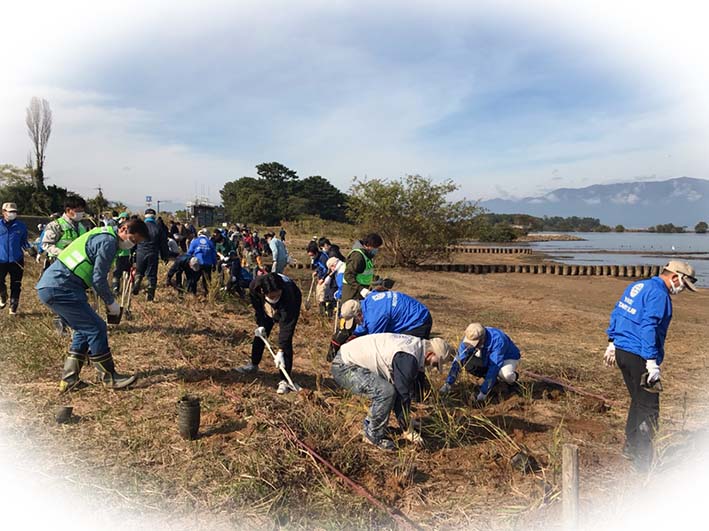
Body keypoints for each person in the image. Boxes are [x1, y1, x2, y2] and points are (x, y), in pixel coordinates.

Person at [604, 260, 698, 472]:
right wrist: (651, 362)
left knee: (638, 400)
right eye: (683, 285)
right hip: (639, 355)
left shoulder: (638, 286)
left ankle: (631, 447)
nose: (682, 290)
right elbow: (649, 326)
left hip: (623, 352)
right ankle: (643, 462)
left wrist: (612, 341)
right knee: (649, 407)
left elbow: (618, 311)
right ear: (675, 277)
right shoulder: (659, 294)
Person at [36, 219, 149, 391]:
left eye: (136, 243)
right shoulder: (108, 242)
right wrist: (111, 302)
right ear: (124, 229)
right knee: (96, 328)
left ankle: (69, 380)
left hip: (59, 286)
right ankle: (109, 378)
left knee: (84, 330)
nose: (132, 244)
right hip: (61, 287)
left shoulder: (102, 234)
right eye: (132, 239)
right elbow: (98, 279)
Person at [331, 333, 453, 450]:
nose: (432, 367)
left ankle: (371, 425)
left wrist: (406, 420)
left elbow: (403, 386)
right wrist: (407, 428)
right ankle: (373, 436)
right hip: (344, 366)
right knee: (386, 392)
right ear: (429, 354)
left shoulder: (415, 346)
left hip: (348, 357)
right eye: (435, 363)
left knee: (387, 389)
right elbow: (402, 395)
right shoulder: (408, 358)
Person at [236, 273, 302, 394]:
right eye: (272, 296)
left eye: (277, 294)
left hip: (290, 302)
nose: (275, 297)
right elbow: (258, 308)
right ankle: (253, 364)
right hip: (265, 303)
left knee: (285, 342)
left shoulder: (289, 294)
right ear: (263, 291)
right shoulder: (255, 287)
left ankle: (285, 380)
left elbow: (287, 328)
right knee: (261, 334)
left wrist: (281, 350)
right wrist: (261, 323)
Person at [440, 323, 521, 402]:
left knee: (505, 375)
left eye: (474, 344)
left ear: (482, 339)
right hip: (486, 356)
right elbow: (459, 360)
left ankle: (513, 380)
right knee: (468, 362)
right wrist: (448, 383)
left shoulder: (498, 340)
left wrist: (483, 393)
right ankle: (493, 382)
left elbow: (494, 367)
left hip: (507, 357)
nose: (471, 345)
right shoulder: (470, 335)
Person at [340, 291, 433, 339]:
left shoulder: (374, 319)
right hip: (417, 310)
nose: (357, 324)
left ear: (359, 314)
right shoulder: (369, 299)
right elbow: (365, 322)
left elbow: (375, 342)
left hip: (418, 321)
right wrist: (355, 334)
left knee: (402, 352)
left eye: (355, 321)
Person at [41, 195, 88, 270]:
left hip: (76, 264)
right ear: (68, 210)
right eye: (78, 211)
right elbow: (46, 244)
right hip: (57, 263)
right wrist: (62, 253)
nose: (81, 214)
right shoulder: (56, 225)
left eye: (82, 211)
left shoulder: (81, 227)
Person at [132, 208, 169, 301]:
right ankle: (150, 296)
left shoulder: (139, 227)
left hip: (140, 252)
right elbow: (163, 244)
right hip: (153, 253)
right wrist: (165, 256)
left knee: (139, 272)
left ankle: (137, 282)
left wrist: (132, 253)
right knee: (151, 275)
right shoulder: (158, 228)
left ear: (145, 216)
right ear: (154, 217)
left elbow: (133, 240)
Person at [0, 203, 31, 315]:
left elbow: (24, 241)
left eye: (14, 212)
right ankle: (3, 294)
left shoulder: (21, 226)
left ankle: (13, 306)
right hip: (1, 260)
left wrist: (30, 249)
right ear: (3, 212)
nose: (12, 214)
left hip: (17, 260)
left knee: (16, 284)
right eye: (10, 211)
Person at [340, 233, 383, 303]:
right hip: (352, 293)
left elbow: (364, 273)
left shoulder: (366, 256)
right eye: (375, 247)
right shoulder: (358, 257)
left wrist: (377, 280)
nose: (376, 250)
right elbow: (348, 275)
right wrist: (361, 289)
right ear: (368, 245)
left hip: (361, 292)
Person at [306, 240, 335, 316]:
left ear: (316, 253)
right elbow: (319, 267)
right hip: (320, 278)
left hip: (327, 279)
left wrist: (323, 279)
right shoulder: (315, 258)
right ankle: (322, 311)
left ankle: (324, 313)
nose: (311, 257)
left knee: (322, 295)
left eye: (312, 255)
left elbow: (328, 269)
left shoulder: (323, 258)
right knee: (318, 295)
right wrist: (316, 271)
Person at [187, 228, 218, 293]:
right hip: (208, 264)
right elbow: (213, 254)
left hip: (198, 263)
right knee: (207, 280)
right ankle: (207, 294)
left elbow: (189, 253)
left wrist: (188, 262)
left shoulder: (195, 241)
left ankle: (192, 293)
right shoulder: (210, 242)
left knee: (194, 279)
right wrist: (214, 264)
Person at [111, 212, 132, 295]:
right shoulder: (131, 230)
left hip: (119, 255)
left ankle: (116, 289)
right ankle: (127, 288)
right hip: (126, 254)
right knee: (126, 272)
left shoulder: (117, 229)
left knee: (117, 273)